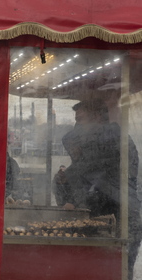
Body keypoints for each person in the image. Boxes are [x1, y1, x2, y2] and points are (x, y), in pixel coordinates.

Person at [61, 99, 142, 280]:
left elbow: (94, 174)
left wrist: (74, 194)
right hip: (115, 213)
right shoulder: (100, 139)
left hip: (120, 214)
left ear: (97, 116)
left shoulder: (111, 137)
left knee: (117, 270)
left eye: (80, 120)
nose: (77, 127)